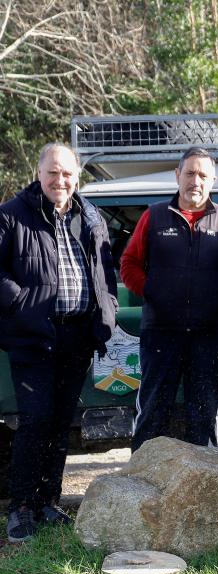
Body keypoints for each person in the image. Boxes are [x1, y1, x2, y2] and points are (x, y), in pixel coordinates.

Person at [0, 144, 118, 542]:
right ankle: (20, 508)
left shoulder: (90, 216)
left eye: (67, 173)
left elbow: (105, 270)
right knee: (34, 421)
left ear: (77, 177)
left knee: (60, 424)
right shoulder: (13, 215)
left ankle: (49, 502)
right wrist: (20, 302)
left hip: (77, 337)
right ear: (39, 173)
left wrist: (108, 307)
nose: (60, 180)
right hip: (34, 337)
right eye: (53, 173)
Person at [121, 147, 218, 451]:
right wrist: (154, 292)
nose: (195, 181)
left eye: (203, 175)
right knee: (152, 412)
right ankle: (142, 487)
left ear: (213, 180)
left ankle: (203, 492)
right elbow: (129, 264)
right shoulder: (154, 216)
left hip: (209, 335)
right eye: (189, 173)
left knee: (203, 416)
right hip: (161, 332)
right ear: (177, 175)